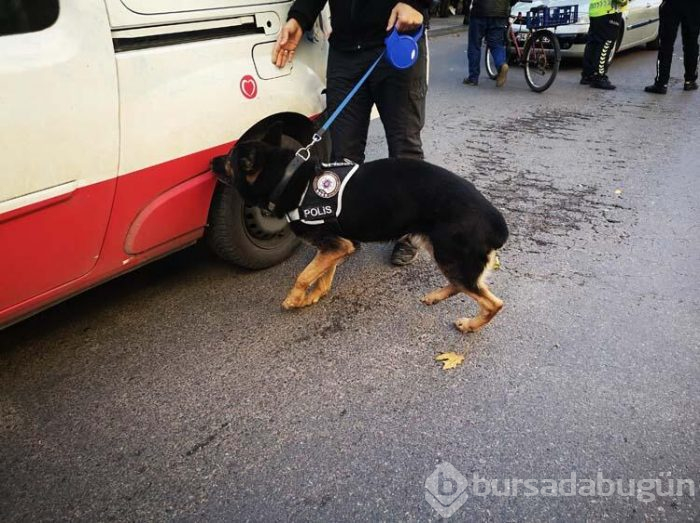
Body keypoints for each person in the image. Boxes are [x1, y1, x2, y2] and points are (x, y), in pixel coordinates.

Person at [272, 1, 431, 266]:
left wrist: (415, 3)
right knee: (342, 155)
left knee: (405, 149)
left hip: (396, 41)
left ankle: (409, 233)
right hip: (345, 51)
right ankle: (346, 231)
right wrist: (299, 18)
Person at [644, 0, 699, 94]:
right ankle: (690, 80)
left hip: (672, 4)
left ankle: (661, 83)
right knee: (691, 42)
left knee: (666, 43)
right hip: (694, 5)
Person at [463, 0, 514, 87]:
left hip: (479, 11)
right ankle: (501, 64)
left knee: (474, 45)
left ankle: (473, 78)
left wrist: (468, 8)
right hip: (500, 13)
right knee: (496, 44)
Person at [580, 0, 628, 90]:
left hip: (596, 11)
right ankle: (599, 76)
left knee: (593, 43)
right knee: (606, 43)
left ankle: (587, 75)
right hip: (609, 12)